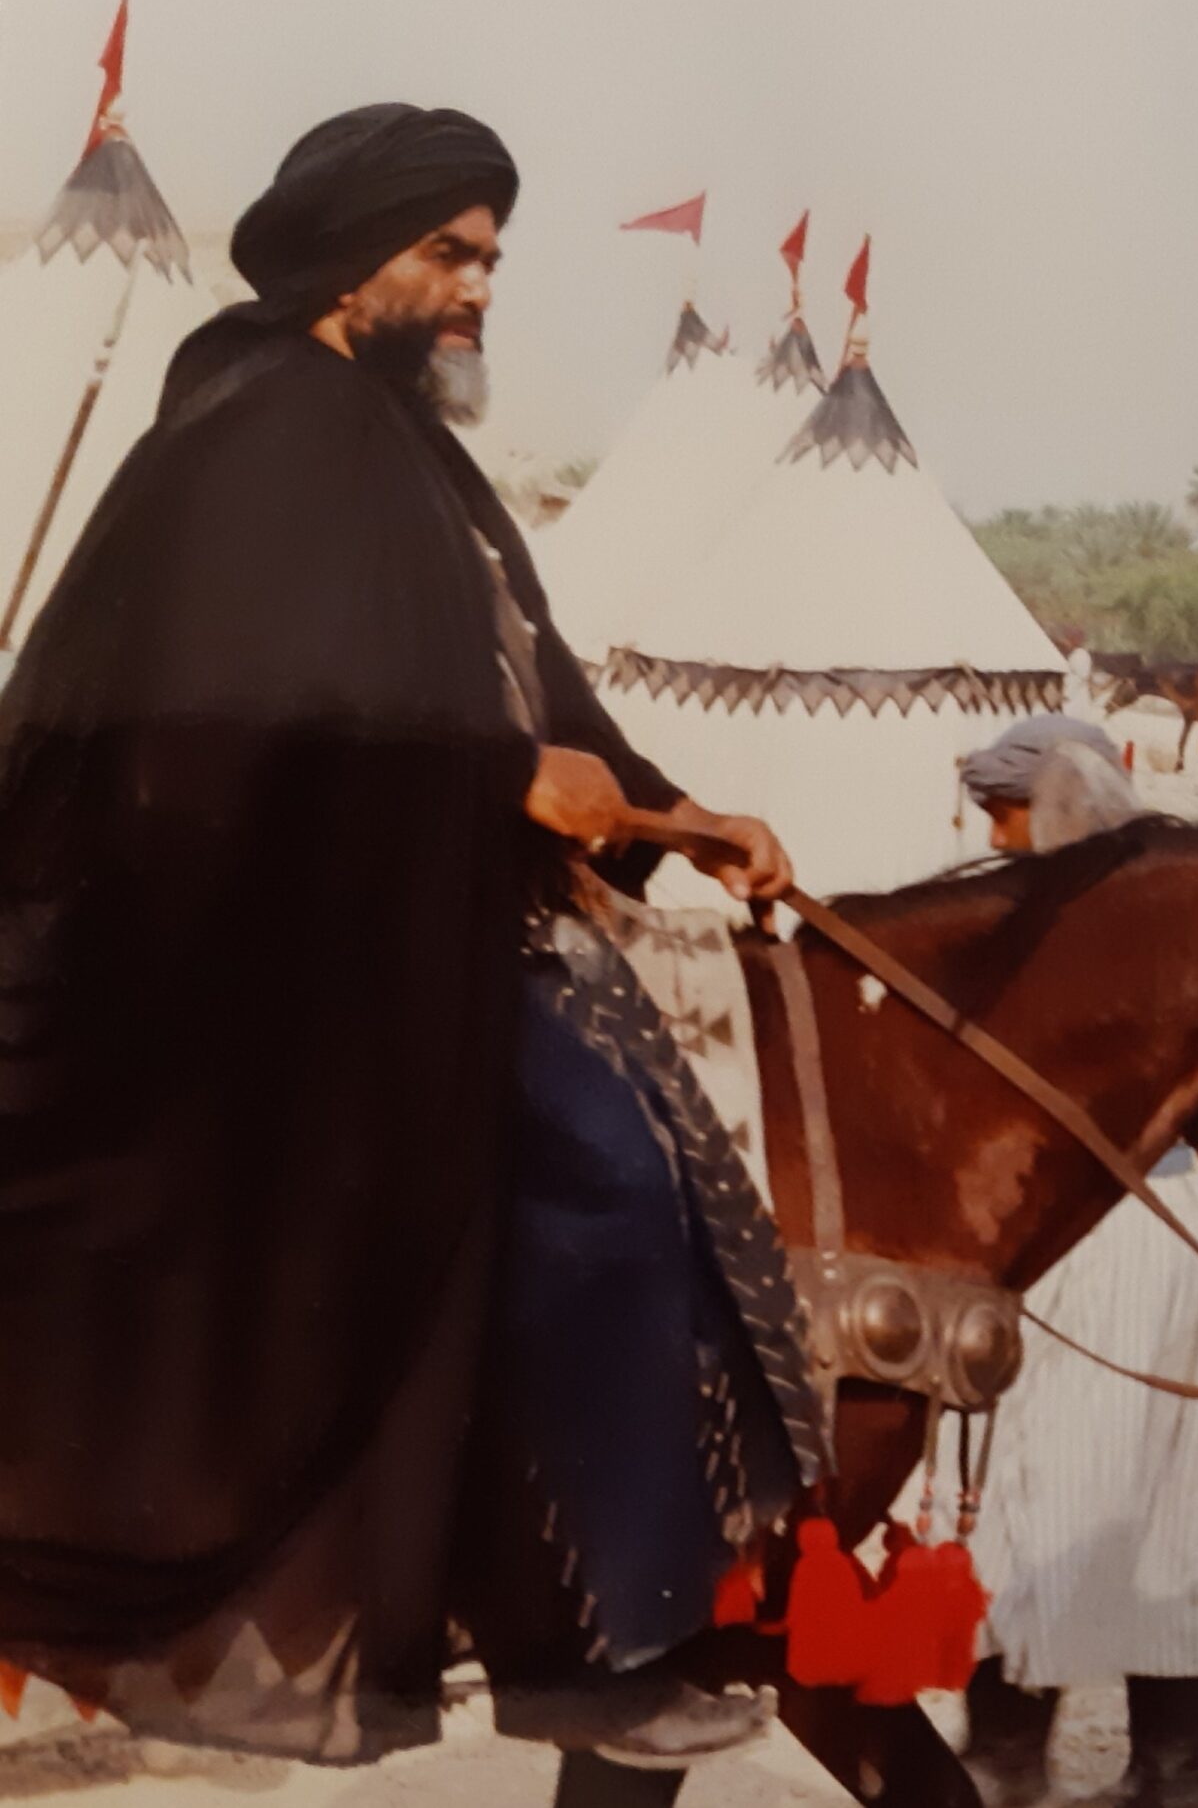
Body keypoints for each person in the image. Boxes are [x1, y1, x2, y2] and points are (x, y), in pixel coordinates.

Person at [0, 105, 823, 1766]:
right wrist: (510, 777)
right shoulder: (262, 433)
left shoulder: (404, 450)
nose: (479, 289)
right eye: (448, 253)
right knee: (593, 1183)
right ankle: (583, 1642)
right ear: (341, 256)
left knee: (657, 1155)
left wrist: (678, 811)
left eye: (492, 258)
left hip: (439, 913)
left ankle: (612, 1600)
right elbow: (230, 739)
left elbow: (530, 679)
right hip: (271, 962)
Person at [952, 715, 1198, 1808]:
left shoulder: (1040, 932)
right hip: (1190, 1241)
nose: (995, 840)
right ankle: (1175, 1779)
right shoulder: (1187, 921)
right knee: (1184, 1512)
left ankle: (1005, 1763)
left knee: (1036, 1503)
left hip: (1085, 1238)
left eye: (1002, 818)